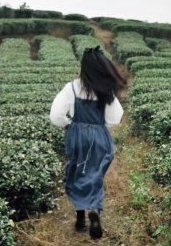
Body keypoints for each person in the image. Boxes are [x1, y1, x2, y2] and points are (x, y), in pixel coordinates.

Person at [49, 45, 126, 239]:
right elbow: (116, 117)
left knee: (76, 172)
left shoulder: (72, 87)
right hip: (99, 136)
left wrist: (68, 125)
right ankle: (95, 210)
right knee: (95, 174)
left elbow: (56, 115)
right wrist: (99, 126)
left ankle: (80, 217)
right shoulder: (105, 89)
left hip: (77, 135)